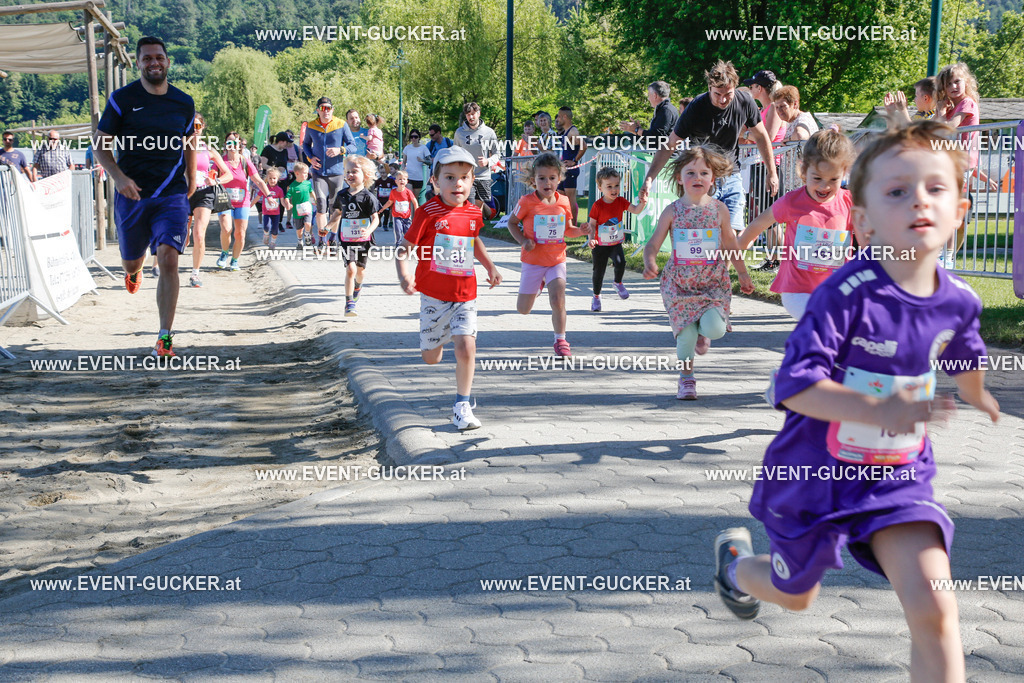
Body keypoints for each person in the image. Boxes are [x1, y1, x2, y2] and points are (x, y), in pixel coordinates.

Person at [715, 121, 1000, 682]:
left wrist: (977, 394)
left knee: (936, 611)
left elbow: (965, 353)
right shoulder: (842, 296)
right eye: (897, 190)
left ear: (960, 212)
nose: (918, 199)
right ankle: (734, 569)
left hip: (898, 479)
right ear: (863, 219)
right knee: (796, 596)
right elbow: (794, 386)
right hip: (814, 473)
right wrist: (878, 411)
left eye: (935, 188)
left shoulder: (960, 300)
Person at [93, 36, 197, 357]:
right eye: (147, 58)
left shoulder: (183, 102)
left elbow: (190, 141)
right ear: (138, 63)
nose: (154, 63)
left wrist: (192, 180)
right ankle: (134, 272)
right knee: (131, 260)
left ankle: (164, 338)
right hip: (133, 194)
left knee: (168, 258)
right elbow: (101, 144)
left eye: (159, 57)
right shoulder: (122, 99)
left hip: (172, 194)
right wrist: (119, 177)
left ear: (167, 61)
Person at [396, 146, 502, 431]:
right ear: (435, 181)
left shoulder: (473, 212)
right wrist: (404, 274)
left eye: (465, 178)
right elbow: (405, 248)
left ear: (472, 181)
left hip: (465, 293)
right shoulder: (427, 213)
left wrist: (490, 266)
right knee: (431, 358)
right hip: (433, 294)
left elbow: (474, 240)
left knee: (467, 346)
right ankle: (439, 336)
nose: (458, 184)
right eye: (450, 177)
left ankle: (462, 405)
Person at [642, 145, 753, 399]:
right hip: (679, 285)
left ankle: (704, 329)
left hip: (712, 283)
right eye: (690, 173)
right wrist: (650, 261)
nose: (697, 178)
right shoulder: (672, 211)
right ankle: (686, 378)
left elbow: (730, 245)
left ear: (713, 178)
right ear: (679, 178)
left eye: (704, 173)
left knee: (716, 329)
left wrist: (743, 274)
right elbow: (653, 243)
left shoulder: (719, 210)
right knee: (685, 340)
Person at [640, 60, 779, 233]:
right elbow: (669, 145)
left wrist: (771, 171)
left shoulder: (745, 102)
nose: (722, 99)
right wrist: (649, 178)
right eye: (717, 94)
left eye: (728, 94)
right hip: (702, 177)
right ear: (709, 88)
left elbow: (761, 136)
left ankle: (722, 259)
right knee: (706, 235)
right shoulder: (696, 107)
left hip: (731, 175)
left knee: (733, 235)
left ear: (735, 88)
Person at [737, 130, 856, 319]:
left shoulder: (850, 203)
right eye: (817, 178)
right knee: (822, 321)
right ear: (803, 169)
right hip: (798, 290)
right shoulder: (791, 202)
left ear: (844, 173)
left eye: (833, 179)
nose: (824, 187)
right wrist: (739, 265)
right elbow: (756, 226)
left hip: (837, 290)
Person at [507, 152, 589, 357]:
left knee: (558, 299)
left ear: (559, 178)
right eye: (541, 178)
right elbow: (511, 223)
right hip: (533, 261)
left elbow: (568, 229)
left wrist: (581, 231)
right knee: (523, 309)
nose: (547, 182)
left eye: (552, 178)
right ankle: (538, 285)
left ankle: (560, 340)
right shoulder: (526, 201)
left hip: (556, 259)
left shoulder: (563, 202)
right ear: (533, 179)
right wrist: (524, 241)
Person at [936, 62, 996, 269]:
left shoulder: (967, 103)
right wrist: (940, 111)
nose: (954, 86)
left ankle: (948, 256)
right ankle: (943, 253)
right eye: (949, 84)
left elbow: (948, 129)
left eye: (957, 81)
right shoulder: (953, 107)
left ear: (966, 82)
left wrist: (942, 114)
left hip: (960, 163)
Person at [740, 70, 787, 272]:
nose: (750, 89)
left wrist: (745, 132)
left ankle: (779, 260)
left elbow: (766, 136)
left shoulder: (773, 109)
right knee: (766, 216)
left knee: (772, 216)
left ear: (760, 88)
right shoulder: (763, 110)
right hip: (758, 165)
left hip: (770, 166)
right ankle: (773, 259)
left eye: (752, 86)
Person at [324, 155, 380, 316]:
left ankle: (358, 287)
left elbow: (375, 219)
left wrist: (368, 230)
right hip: (346, 239)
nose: (350, 175)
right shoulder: (342, 195)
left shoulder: (369, 197)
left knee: (360, 270)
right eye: (347, 172)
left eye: (354, 171)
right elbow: (338, 213)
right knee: (350, 268)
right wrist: (328, 227)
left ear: (366, 175)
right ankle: (349, 303)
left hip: (363, 240)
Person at [587, 166, 647, 311]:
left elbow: (635, 210)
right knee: (598, 272)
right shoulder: (597, 205)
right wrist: (590, 239)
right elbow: (592, 225)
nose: (614, 189)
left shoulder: (621, 201)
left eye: (617, 185)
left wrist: (643, 202)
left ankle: (618, 282)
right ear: (600, 188)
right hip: (600, 245)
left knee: (621, 262)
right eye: (609, 186)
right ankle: (596, 296)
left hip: (615, 242)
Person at [185, 113, 231, 287]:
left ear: (203, 127)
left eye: (198, 126)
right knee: (183, 238)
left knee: (199, 234)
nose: (194, 130)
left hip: (204, 194)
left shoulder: (209, 150)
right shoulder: (180, 147)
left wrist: (216, 180)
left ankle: (195, 274)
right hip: (183, 194)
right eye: (191, 126)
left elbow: (227, 174)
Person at [304, 97, 358, 244]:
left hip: (337, 172)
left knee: (335, 207)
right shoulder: (311, 125)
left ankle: (333, 239)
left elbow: (353, 145)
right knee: (321, 205)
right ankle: (322, 240)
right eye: (322, 108)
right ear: (317, 110)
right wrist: (311, 158)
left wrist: (340, 150)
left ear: (332, 110)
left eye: (328, 108)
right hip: (318, 172)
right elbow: (306, 145)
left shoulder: (341, 124)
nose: (325, 111)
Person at [215, 136, 270, 271]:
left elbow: (258, 181)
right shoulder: (220, 161)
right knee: (226, 229)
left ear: (239, 145)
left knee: (240, 233)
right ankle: (224, 252)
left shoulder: (245, 161)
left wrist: (268, 195)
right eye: (229, 142)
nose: (232, 145)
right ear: (225, 145)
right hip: (224, 200)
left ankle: (235, 260)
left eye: (235, 143)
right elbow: (211, 176)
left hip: (242, 201)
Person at [454, 103, 500, 216]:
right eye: (468, 114)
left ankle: (478, 224)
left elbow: (497, 153)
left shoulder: (489, 132)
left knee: (483, 211)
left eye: (473, 114)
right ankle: (470, 228)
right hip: (467, 175)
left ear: (478, 114)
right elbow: (455, 153)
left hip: (483, 175)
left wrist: (488, 161)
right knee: (470, 205)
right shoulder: (459, 132)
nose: (471, 117)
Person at [619, 81, 680, 150]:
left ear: (655, 95)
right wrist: (636, 131)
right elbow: (654, 136)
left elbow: (655, 136)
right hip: (664, 155)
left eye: (649, 95)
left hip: (666, 157)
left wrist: (637, 130)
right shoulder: (665, 109)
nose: (648, 99)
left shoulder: (666, 110)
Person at [554, 107, 587, 224]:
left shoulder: (573, 132)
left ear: (564, 117)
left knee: (570, 200)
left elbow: (584, 146)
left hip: (571, 170)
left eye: (558, 116)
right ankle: (564, 224)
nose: (557, 119)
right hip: (564, 170)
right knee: (560, 197)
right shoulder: (566, 132)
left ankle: (573, 226)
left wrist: (574, 160)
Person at [379, 169, 418, 243]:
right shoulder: (393, 192)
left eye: (404, 179)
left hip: (406, 217)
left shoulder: (408, 192)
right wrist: (383, 208)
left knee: (407, 232)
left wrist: (417, 211)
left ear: (407, 181)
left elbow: (414, 202)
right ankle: (398, 244)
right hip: (397, 216)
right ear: (396, 181)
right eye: (400, 179)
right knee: (398, 230)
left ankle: (407, 244)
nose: (402, 181)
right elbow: (390, 202)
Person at [284, 162, 314, 248]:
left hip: (308, 208)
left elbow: (311, 192)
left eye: (307, 173)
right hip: (297, 211)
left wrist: (315, 200)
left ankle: (307, 235)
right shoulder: (293, 186)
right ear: (297, 173)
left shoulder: (307, 183)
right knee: (299, 229)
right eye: (304, 173)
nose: (306, 175)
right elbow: (287, 197)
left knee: (308, 224)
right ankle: (300, 241)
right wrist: (288, 203)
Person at [261, 167, 286, 249]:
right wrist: (250, 205)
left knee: (275, 230)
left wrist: (286, 205)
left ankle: (272, 243)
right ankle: (266, 234)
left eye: (274, 178)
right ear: (267, 178)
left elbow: (282, 201)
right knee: (266, 227)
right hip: (266, 212)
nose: (272, 180)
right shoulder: (265, 188)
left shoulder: (279, 190)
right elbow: (257, 197)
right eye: (270, 178)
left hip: (276, 213)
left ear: (278, 179)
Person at [402, 128, 432, 197]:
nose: (413, 139)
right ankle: (410, 208)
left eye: (415, 137)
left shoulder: (423, 148)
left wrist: (423, 160)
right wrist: (403, 170)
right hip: (408, 176)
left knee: (415, 198)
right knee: (410, 196)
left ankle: (415, 208)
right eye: (411, 137)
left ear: (419, 138)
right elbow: (404, 162)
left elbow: (430, 161)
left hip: (419, 177)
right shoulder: (407, 148)